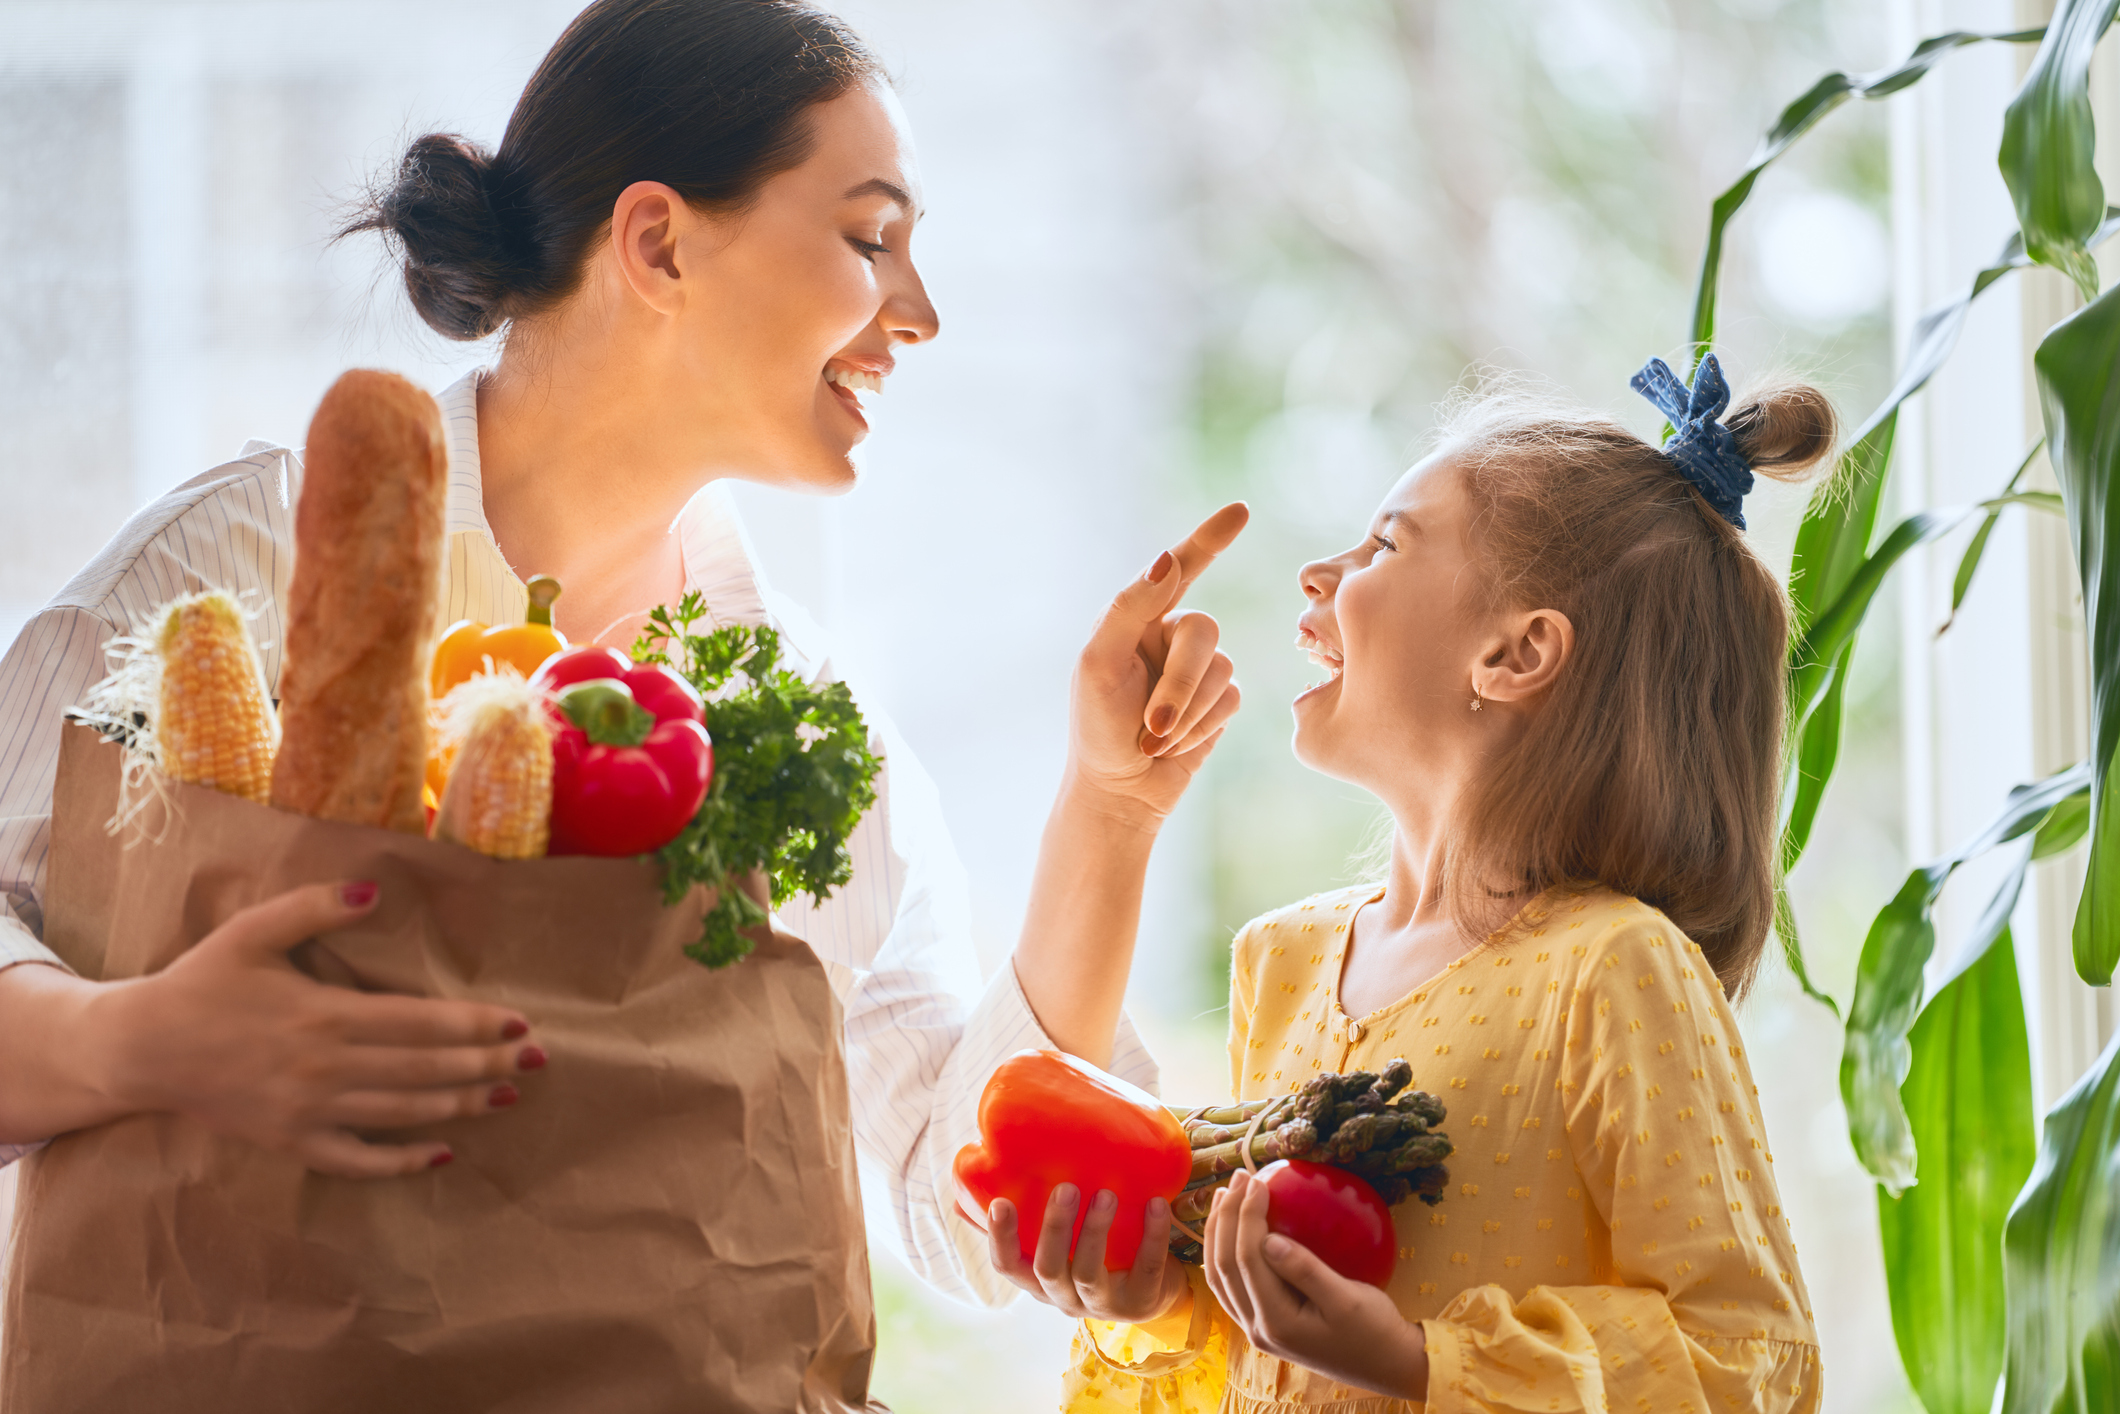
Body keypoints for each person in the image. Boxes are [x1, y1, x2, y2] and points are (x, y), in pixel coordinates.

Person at [0, 0, 1241, 1309]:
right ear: (655, 241)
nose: (919, 313)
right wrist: (138, 1042)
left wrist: (1108, 810)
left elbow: (953, 1177)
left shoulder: (797, 719)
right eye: (871, 238)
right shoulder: (248, 564)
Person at [973, 356, 1831, 1412]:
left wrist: (1421, 1361)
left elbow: (1748, 1357)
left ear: (1514, 653)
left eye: (1384, 542)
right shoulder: (1278, 960)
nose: (1317, 574)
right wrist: (1148, 1304)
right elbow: (1252, 1359)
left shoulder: (1612, 968)